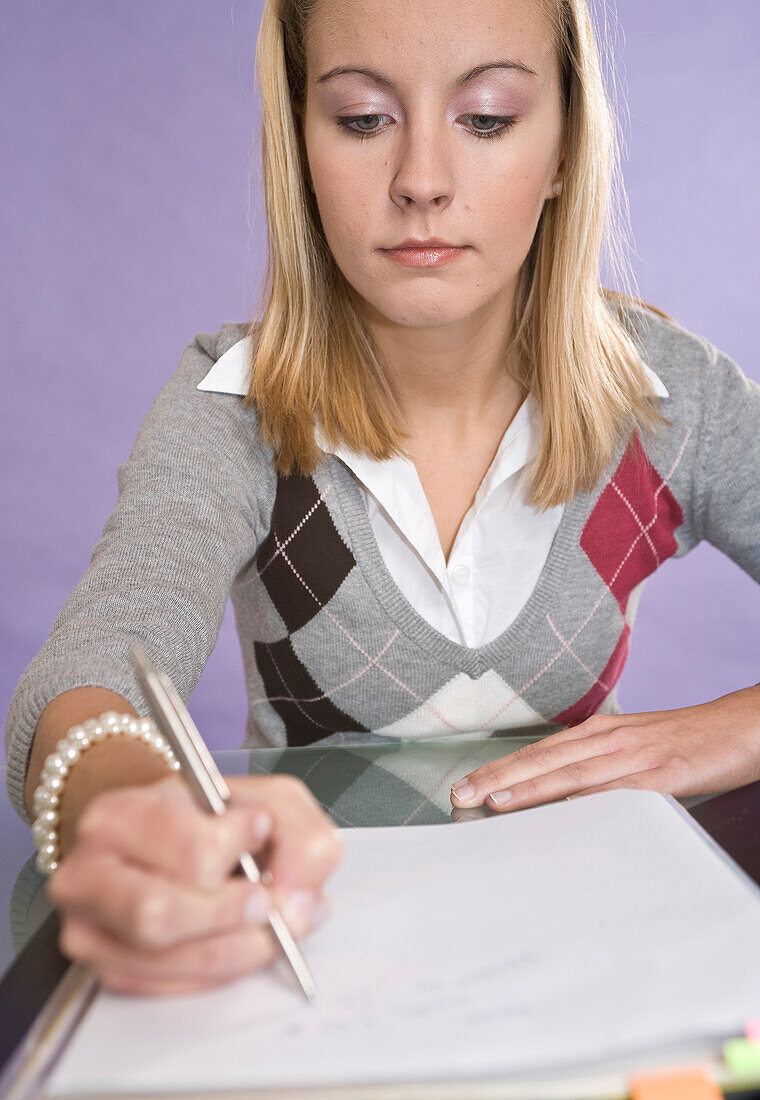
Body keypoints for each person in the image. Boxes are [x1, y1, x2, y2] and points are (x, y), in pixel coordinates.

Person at [6, 0, 760, 995]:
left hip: (593, 951)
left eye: (486, 117)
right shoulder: (232, 403)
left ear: (565, 148)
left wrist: (742, 722)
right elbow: (93, 663)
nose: (420, 183)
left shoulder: (672, 395)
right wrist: (128, 805)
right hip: (312, 965)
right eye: (362, 119)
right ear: (301, 144)